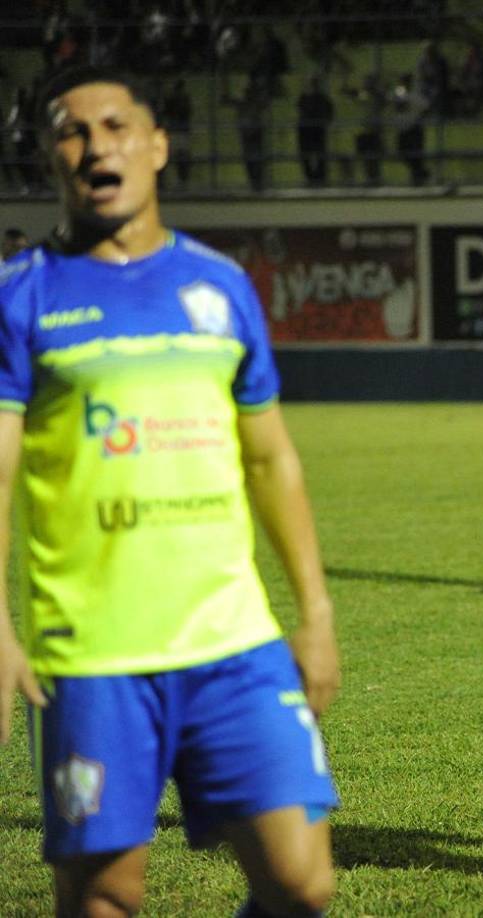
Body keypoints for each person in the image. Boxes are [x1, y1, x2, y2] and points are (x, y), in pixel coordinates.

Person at [0, 66, 339, 916]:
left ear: (157, 147)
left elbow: (270, 460)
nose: (95, 143)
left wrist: (317, 612)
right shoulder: (21, 295)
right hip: (92, 655)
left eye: (116, 124)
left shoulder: (220, 287)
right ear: (51, 158)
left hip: (233, 638)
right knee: (106, 898)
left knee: (301, 881)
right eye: (72, 131)